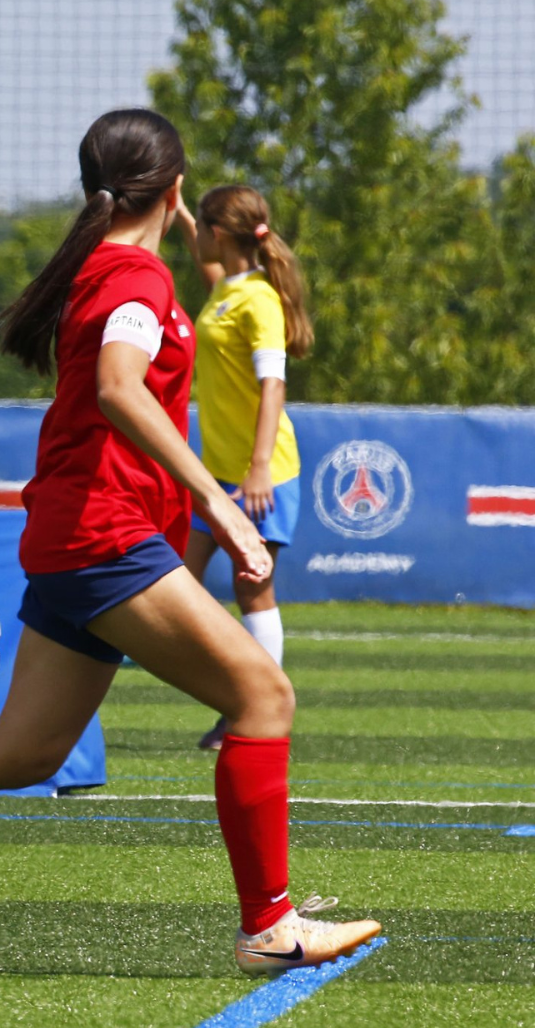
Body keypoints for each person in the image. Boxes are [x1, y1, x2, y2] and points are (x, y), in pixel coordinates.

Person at [0, 109, 379, 974]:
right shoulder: (134, 280)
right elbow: (123, 388)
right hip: (103, 535)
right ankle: (269, 927)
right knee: (263, 698)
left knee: (26, 750)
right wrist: (221, 504)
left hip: (78, 531)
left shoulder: (108, 265)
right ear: (176, 187)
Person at [170, 187, 312, 750]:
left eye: (202, 225)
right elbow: (207, 263)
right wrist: (177, 208)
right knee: (177, 577)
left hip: (262, 472)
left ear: (220, 233)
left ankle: (256, 710)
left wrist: (257, 469)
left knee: (252, 587)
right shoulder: (229, 290)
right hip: (217, 473)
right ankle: (236, 695)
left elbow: (273, 384)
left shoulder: (260, 301)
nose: (197, 237)